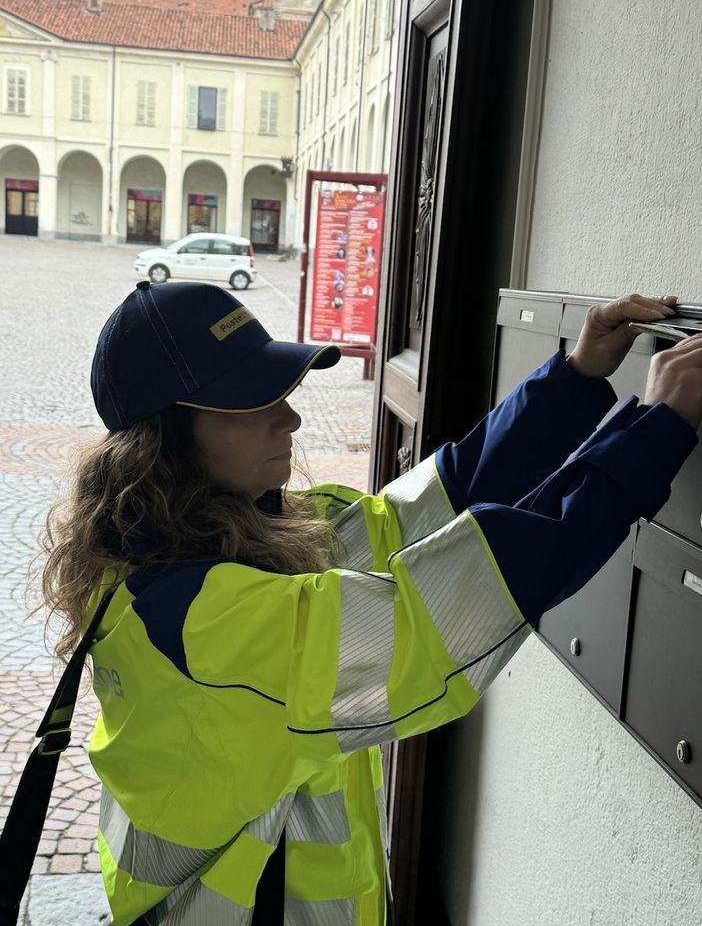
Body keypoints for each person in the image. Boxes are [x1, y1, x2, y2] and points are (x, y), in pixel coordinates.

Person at [40, 283, 701, 926]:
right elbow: (433, 615)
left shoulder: (210, 534)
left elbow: (428, 504)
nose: (291, 415)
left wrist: (577, 377)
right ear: (166, 442)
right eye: (250, 402)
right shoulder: (202, 620)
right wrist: (653, 432)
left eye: (281, 389)